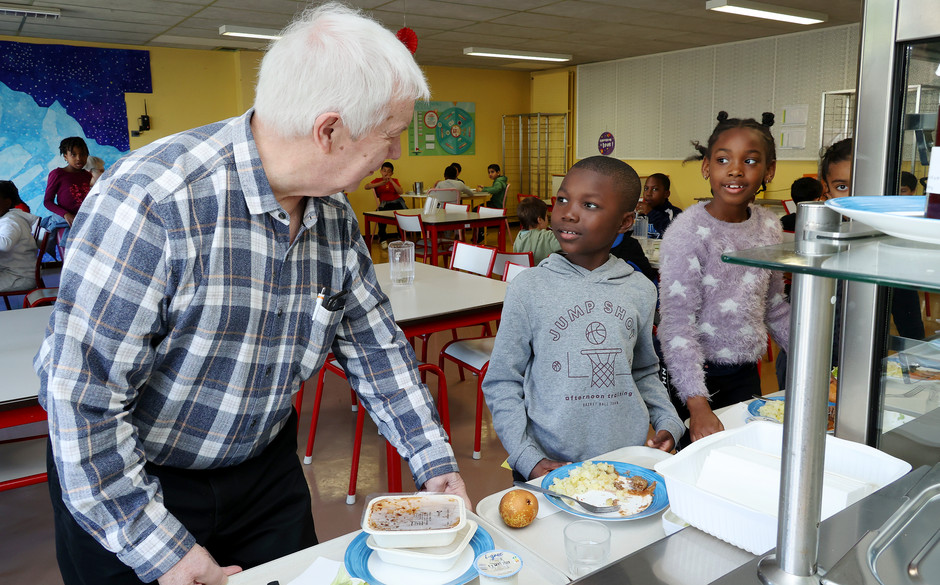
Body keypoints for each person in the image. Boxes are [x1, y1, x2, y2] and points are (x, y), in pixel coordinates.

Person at [36, 4, 469, 585]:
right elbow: (80, 401)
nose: (394, 153)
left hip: (263, 472)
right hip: (134, 482)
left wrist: (433, 460)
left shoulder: (334, 216)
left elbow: (376, 347)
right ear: (330, 130)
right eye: (390, 136)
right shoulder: (154, 202)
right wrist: (164, 553)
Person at [482, 156, 685, 482]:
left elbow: (644, 370)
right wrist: (525, 456)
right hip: (547, 466)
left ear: (624, 222)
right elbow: (502, 381)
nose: (568, 212)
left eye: (589, 204)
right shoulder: (529, 288)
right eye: (562, 199)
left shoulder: (640, 290)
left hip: (624, 461)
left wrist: (668, 421)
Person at [658, 111, 790, 444]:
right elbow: (677, 323)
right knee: (701, 466)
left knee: (746, 455)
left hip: (745, 372)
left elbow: (773, 307)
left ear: (768, 170)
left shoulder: (769, 226)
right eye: (722, 159)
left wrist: (816, 361)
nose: (735, 170)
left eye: (750, 160)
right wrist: (697, 404)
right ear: (706, 167)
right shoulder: (687, 232)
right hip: (695, 377)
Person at [0, 180, 39, 292]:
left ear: (7, 203)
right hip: (13, 272)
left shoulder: (11, 221)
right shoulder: (7, 218)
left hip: (19, 277)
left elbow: (5, 244)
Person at [363, 161, 405, 249]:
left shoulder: (395, 180)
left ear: (392, 173)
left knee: (402, 215)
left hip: (397, 202)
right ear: (381, 171)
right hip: (384, 204)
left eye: (388, 171)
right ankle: (383, 239)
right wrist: (381, 183)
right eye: (384, 170)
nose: (386, 173)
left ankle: (401, 237)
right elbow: (366, 186)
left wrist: (392, 181)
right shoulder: (377, 180)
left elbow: (400, 192)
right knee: (381, 215)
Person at [512, 196, 561, 265]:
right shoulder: (547, 236)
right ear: (540, 220)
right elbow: (569, 245)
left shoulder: (518, 238)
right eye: (546, 216)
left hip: (523, 273)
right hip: (541, 274)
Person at [636, 173, 682, 238]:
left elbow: (674, 235)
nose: (648, 193)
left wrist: (650, 213)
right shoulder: (640, 213)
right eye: (646, 189)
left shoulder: (675, 213)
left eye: (655, 189)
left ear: (666, 194)